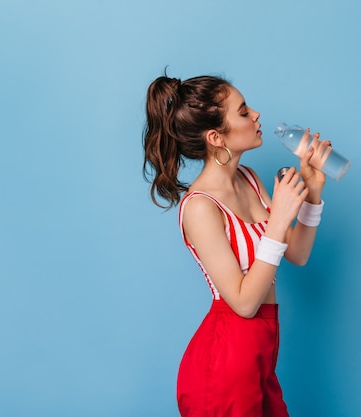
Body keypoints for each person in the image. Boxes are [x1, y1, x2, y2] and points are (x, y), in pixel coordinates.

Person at [142, 73, 329, 417]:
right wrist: (277, 222)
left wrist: (313, 191)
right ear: (216, 137)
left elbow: (297, 254)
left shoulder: (250, 179)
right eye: (243, 112)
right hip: (225, 368)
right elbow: (243, 303)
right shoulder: (200, 207)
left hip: (260, 358)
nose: (256, 115)